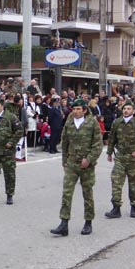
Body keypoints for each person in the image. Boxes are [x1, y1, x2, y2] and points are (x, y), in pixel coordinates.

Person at [50, 99, 103, 237]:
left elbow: (98, 145)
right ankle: (64, 223)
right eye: (74, 109)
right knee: (66, 193)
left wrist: (89, 159)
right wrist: (64, 161)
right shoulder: (69, 122)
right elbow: (65, 142)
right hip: (72, 163)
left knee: (87, 193)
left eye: (78, 109)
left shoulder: (92, 123)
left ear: (84, 110)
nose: (75, 111)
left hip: (87, 165)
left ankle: (88, 222)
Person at [104, 101, 135, 219]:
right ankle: (116, 207)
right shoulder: (117, 122)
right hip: (120, 157)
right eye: (125, 109)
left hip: (133, 159)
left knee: (134, 183)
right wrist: (109, 153)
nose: (126, 111)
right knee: (116, 181)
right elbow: (112, 138)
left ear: (133, 111)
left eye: (129, 109)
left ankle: (134, 206)